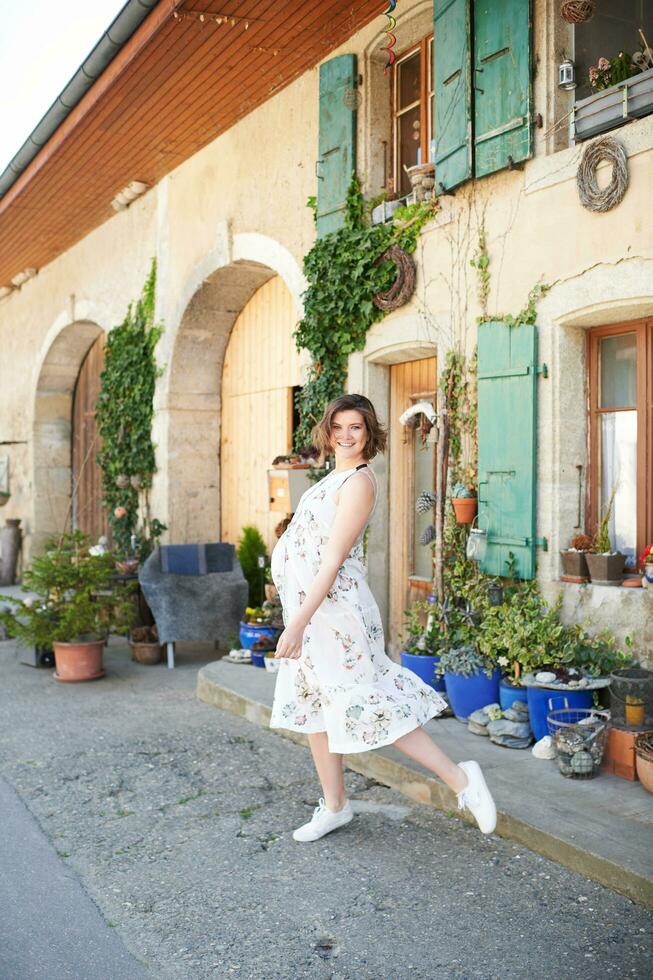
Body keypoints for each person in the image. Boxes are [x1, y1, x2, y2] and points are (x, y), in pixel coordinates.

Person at [269, 393, 496, 842]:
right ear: (328, 431)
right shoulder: (329, 478)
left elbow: (332, 560)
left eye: (355, 427)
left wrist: (297, 623)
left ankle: (462, 779)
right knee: (313, 705)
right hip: (310, 612)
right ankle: (335, 806)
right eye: (338, 427)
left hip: (334, 615)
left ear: (369, 432)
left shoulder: (358, 481)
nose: (346, 436)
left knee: (371, 705)